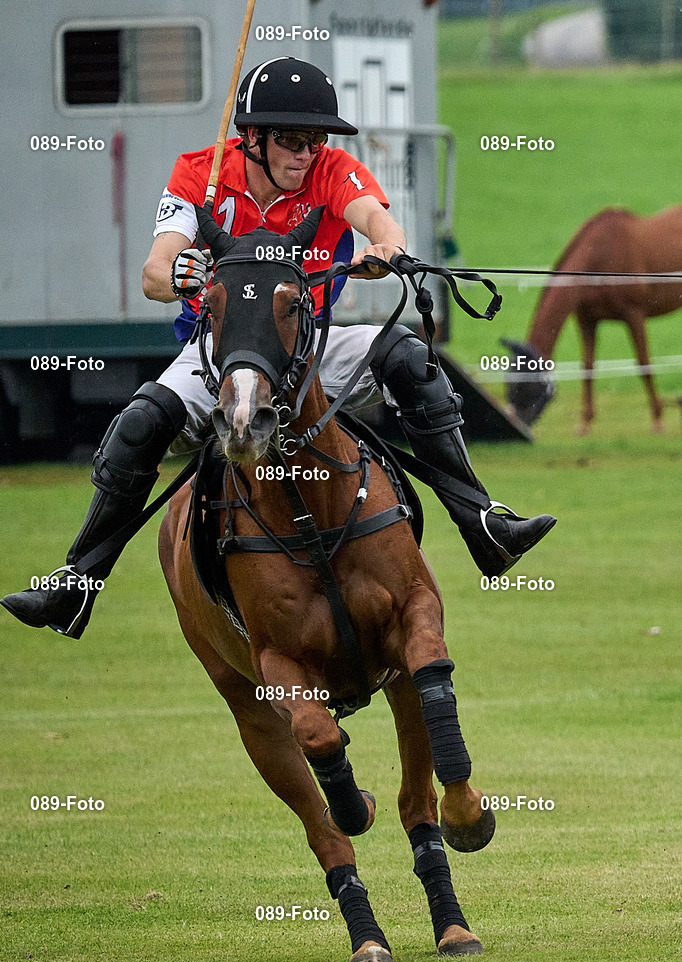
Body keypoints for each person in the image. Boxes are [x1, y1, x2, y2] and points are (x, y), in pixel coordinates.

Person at [1, 57, 555, 639]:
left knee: (410, 358)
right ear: (253, 138)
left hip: (306, 349)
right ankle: (75, 585)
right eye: (292, 139)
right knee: (140, 422)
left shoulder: (333, 170)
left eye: (316, 138)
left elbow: (378, 222)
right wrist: (183, 276)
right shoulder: (199, 174)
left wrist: (386, 249)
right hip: (219, 354)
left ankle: (483, 526)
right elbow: (153, 273)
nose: (307, 152)